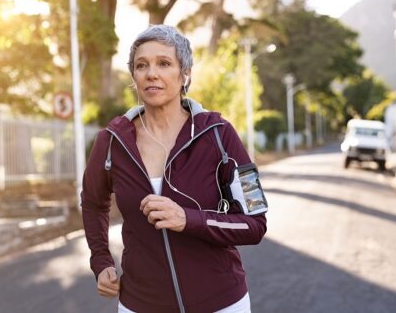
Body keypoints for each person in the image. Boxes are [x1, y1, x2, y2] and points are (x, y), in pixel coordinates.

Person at [81, 24, 268, 313]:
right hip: (140, 304)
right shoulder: (111, 141)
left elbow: (254, 223)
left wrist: (189, 219)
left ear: (185, 74)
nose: (151, 73)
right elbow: (93, 203)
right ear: (134, 76)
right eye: (141, 65)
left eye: (164, 63)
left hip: (221, 302)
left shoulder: (219, 134)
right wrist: (101, 260)